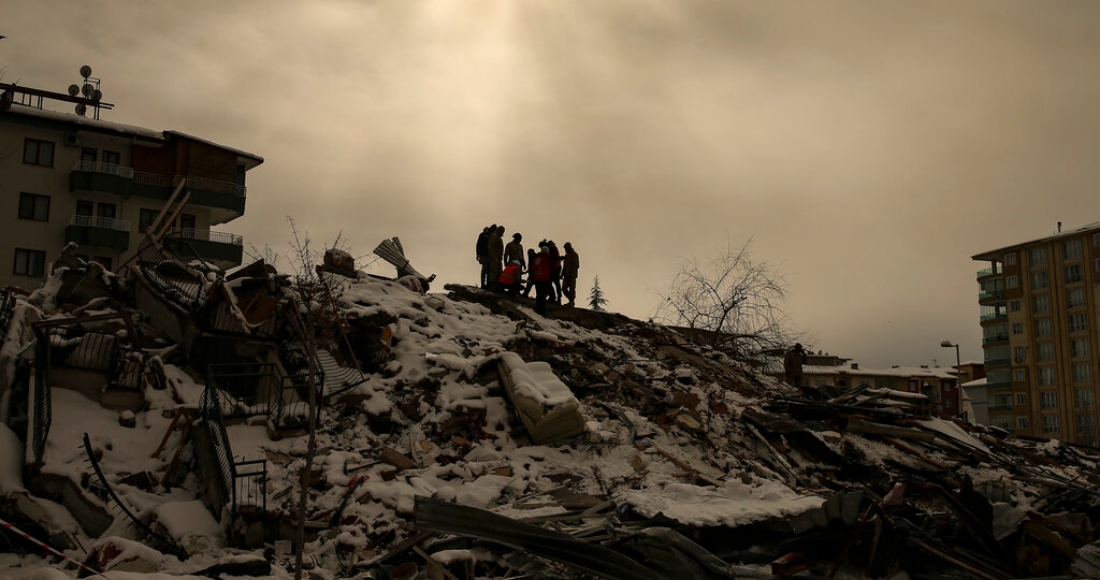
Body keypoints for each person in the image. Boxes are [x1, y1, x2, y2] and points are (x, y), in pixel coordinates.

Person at [529, 245, 553, 315]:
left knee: (539, 293)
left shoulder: (536, 258)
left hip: (537, 278)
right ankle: (541, 310)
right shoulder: (547, 258)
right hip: (544, 278)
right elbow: (554, 260)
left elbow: (532, 268)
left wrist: (531, 278)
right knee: (544, 293)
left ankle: (539, 307)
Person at [560, 242, 579, 307]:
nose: (565, 249)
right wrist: (562, 274)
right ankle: (571, 300)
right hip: (566, 275)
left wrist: (570, 259)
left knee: (572, 289)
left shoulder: (575, 254)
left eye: (566, 248)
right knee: (564, 289)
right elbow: (564, 266)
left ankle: (572, 302)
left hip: (572, 275)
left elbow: (577, 265)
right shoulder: (566, 255)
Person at [487, 225, 505, 292]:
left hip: (498, 258)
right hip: (495, 258)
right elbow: (491, 247)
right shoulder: (495, 237)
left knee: (498, 273)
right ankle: (493, 287)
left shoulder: (497, 237)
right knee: (494, 273)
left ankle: (497, 287)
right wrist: (493, 257)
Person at [476, 225, 494, 289]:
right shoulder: (484, 235)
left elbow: (478, 245)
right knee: (485, 270)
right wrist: (478, 254)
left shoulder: (491, 236)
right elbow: (478, 244)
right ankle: (484, 284)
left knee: (488, 270)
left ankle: (486, 284)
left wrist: (478, 254)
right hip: (484, 255)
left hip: (488, 255)